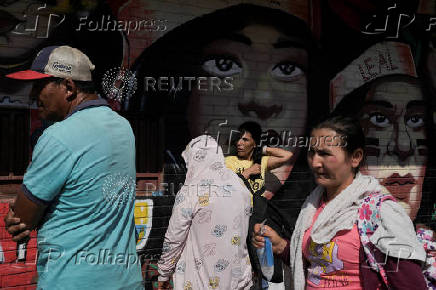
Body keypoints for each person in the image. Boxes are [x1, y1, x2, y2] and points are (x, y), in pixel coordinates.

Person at [3, 45, 143, 289]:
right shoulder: (123, 127)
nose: (33, 95)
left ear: (68, 87)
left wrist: (21, 217)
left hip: (72, 280)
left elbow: (23, 218)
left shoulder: (58, 136)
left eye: (40, 86)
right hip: (125, 279)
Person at [252, 115, 428, 289]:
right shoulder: (312, 205)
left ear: (355, 157)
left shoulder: (380, 212)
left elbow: (411, 284)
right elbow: (318, 264)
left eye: (325, 154)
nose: (315, 163)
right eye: (312, 152)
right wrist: (281, 246)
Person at [157, 135, 252, 289]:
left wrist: (164, 273)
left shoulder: (191, 191)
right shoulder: (240, 185)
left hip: (200, 282)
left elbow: (174, 237)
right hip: (238, 280)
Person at [225, 121, 294, 199]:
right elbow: (225, 189)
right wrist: (247, 172)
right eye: (238, 139)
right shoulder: (228, 161)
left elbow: (287, 155)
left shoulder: (262, 161)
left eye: (245, 140)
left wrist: (262, 148)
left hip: (255, 210)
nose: (239, 143)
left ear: (254, 143)